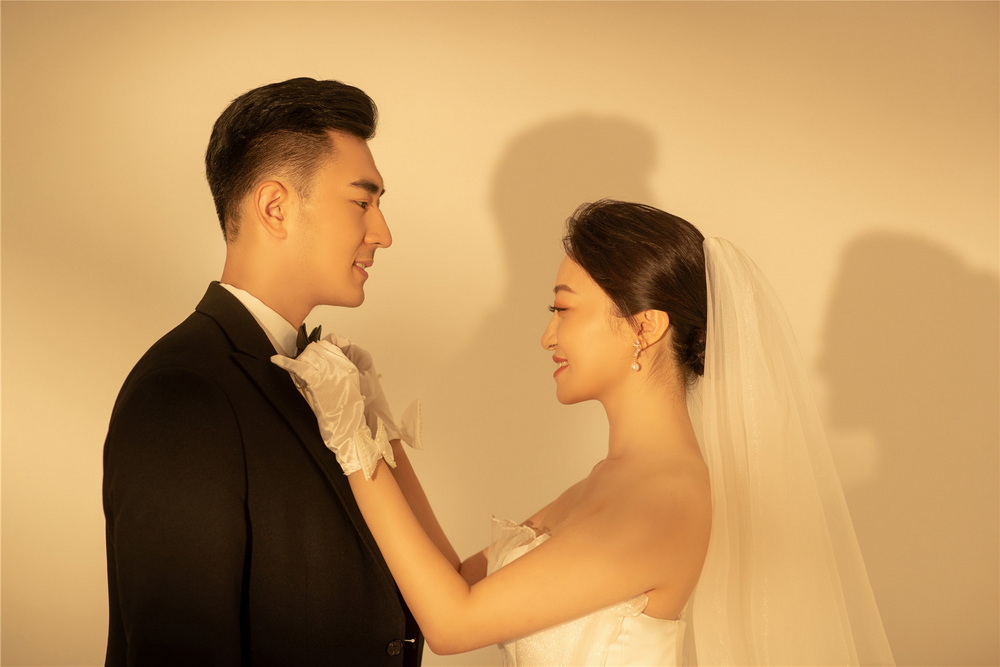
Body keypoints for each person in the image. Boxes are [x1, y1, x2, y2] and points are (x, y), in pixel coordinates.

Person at [276, 200, 897, 666]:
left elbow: (452, 625)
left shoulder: (664, 499)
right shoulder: (612, 481)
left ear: (644, 327)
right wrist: (378, 428)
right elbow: (456, 583)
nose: (547, 335)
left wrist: (351, 444)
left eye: (563, 308)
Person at [102, 77, 450, 666]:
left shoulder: (326, 381)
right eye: (362, 202)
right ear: (275, 207)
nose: (383, 233)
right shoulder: (183, 392)